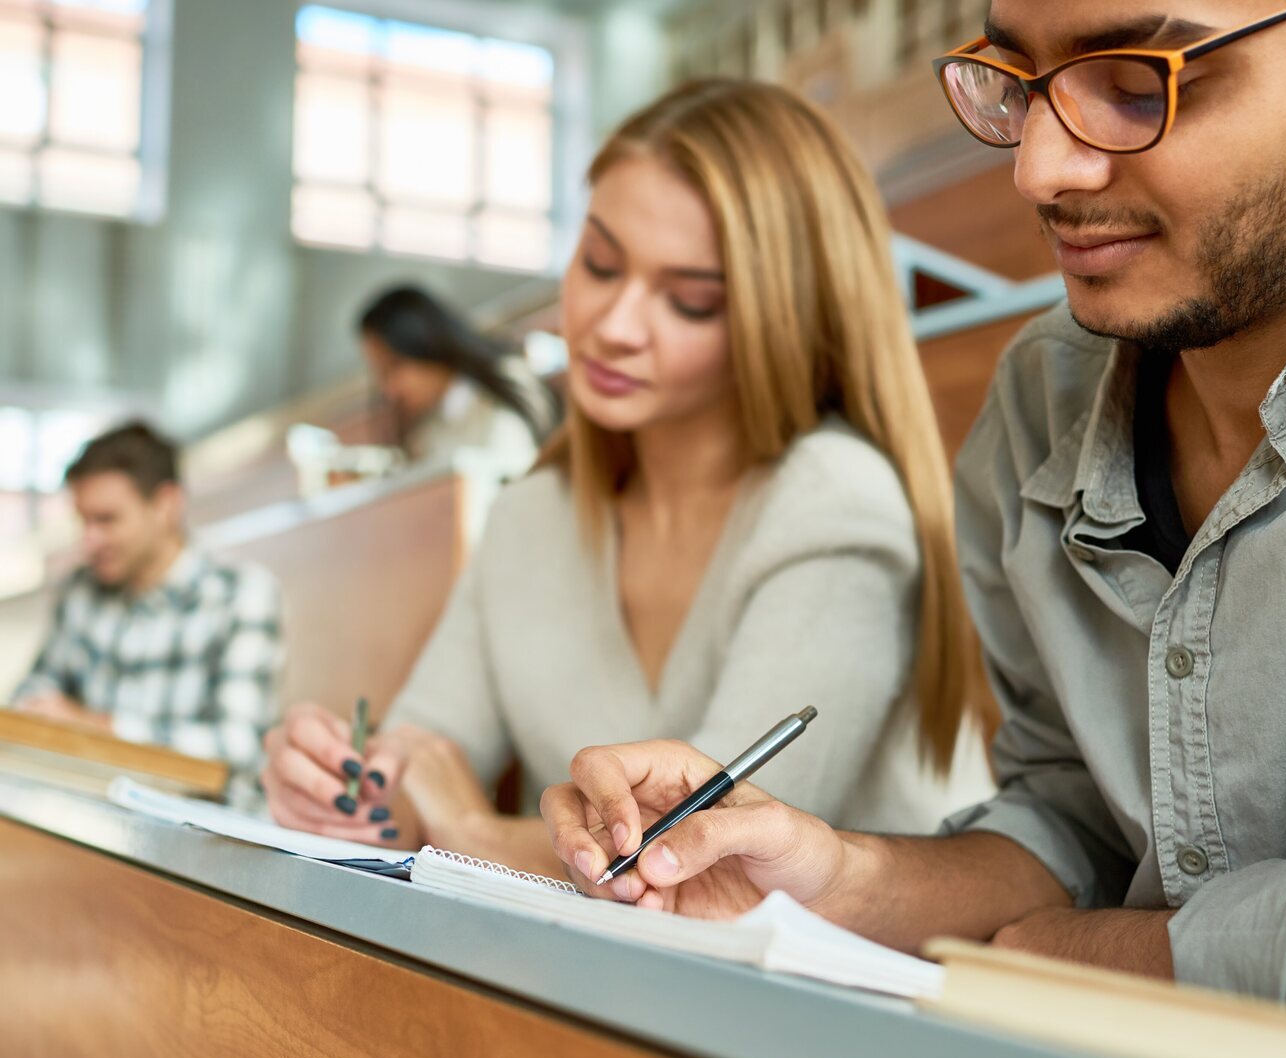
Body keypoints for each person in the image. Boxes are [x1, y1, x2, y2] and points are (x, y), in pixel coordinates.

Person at [542, 0, 1286, 1045]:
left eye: (1139, 85)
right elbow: (1073, 826)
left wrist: (1090, 953)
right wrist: (827, 874)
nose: (1041, 171)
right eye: (1017, 82)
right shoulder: (1045, 393)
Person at [261, 80, 996, 872]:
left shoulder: (836, 503)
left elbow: (704, 861)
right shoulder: (533, 514)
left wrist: (471, 834)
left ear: (784, 318)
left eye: (687, 302)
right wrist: (346, 784)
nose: (611, 328)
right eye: (601, 264)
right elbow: (422, 757)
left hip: (855, 985)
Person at [13, 422, 284, 770]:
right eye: (84, 522)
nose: (89, 540)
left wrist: (98, 728)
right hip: (89, 804)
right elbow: (34, 693)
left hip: (194, 818)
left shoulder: (242, 594)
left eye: (106, 519)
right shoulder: (80, 588)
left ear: (165, 504)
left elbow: (240, 745)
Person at [358, 285, 559, 478]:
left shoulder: (507, 386)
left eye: (394, 366)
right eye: (380, 374)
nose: (390, 389)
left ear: (425, 342)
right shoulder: (427, 431)